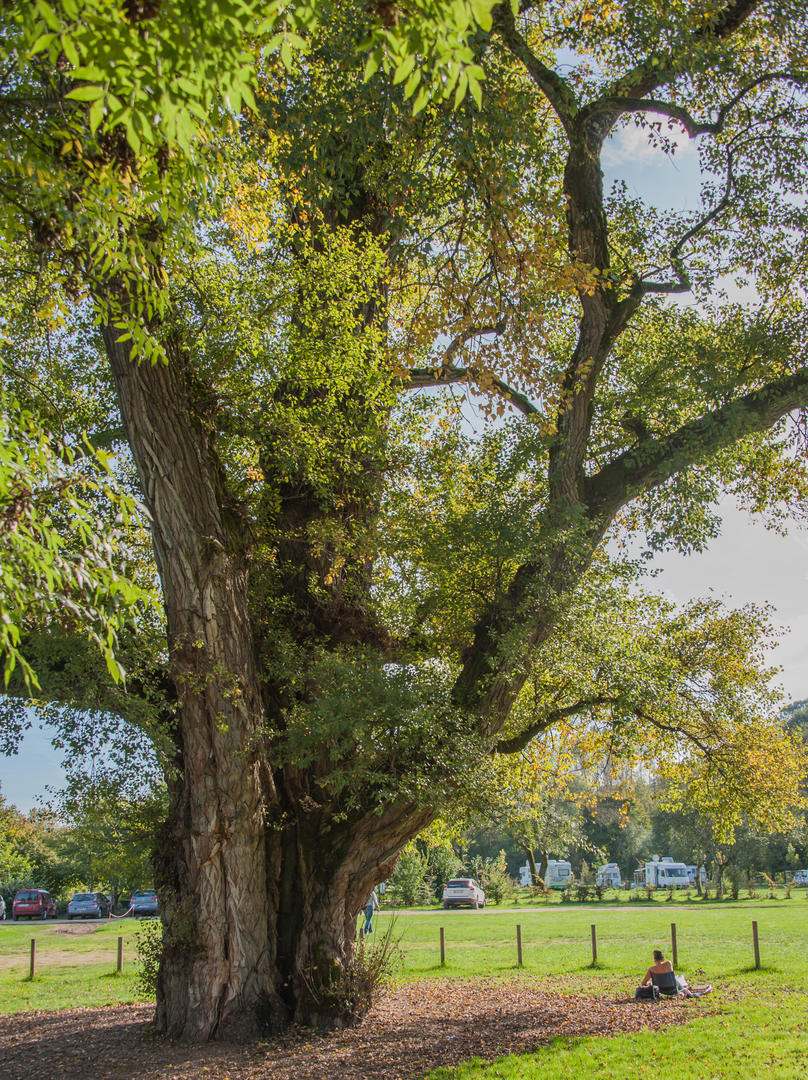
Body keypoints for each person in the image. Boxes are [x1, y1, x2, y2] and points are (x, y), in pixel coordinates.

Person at [639, 949, 712, 998]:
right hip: (673, 988)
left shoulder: (651, 969)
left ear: (654, 960)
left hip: (661, 990)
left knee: (677, 979)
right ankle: (686, 990)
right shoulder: (668, 964)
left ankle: (684, 989)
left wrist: (650, 983)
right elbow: (670, 975)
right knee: (678, 978)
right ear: (663, 959)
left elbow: (643, 983)